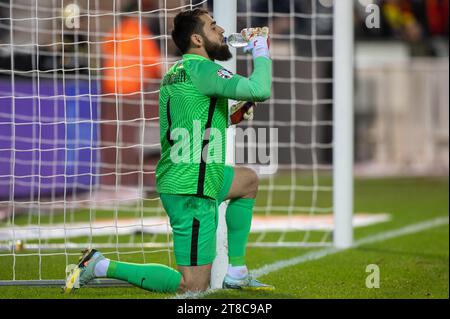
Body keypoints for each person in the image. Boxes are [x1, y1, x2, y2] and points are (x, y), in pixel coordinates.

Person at [64, 8, 273, 294]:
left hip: (189, 173)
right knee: (192, 287)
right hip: (192, 191)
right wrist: (260, 48)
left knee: (247, 180)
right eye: (214, 27)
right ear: (198, 39)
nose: (222, 31)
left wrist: (234, 115)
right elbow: (260, 89)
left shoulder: (176, 71)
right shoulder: (204, 69)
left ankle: (236, 271)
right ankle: (99, 265)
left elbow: (194, 118)